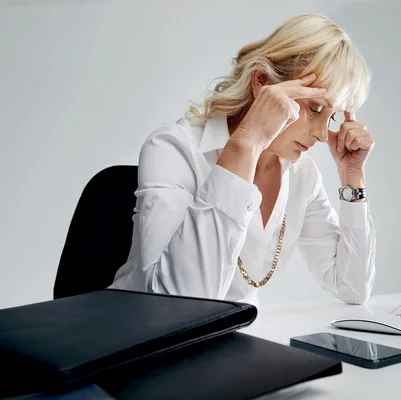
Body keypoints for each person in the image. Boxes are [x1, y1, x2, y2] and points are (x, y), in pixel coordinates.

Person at [109, 14, 376, 306]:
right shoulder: (174, 148)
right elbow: (180, 304)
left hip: (230, 340)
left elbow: (352, 289)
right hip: (141, 338)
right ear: (261, 82)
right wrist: (246, 145)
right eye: (314, 109)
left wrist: (352, 178)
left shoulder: (301, 174)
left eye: (332, 116)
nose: (324, 135)